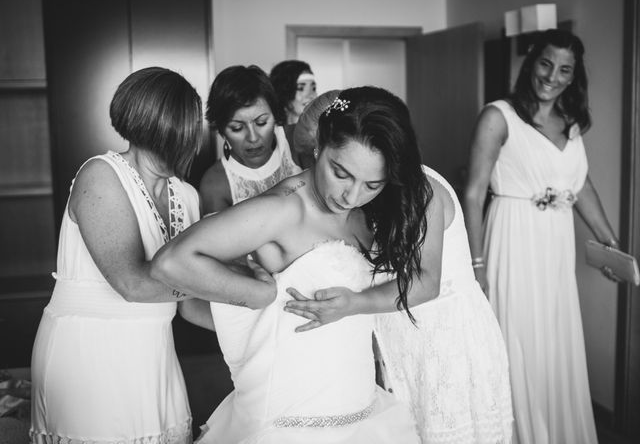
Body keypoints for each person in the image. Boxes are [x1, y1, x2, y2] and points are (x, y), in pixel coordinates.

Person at [150, 86, 441, 443]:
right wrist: (256, 296)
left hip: (358, 405)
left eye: (372, 184)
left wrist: (354, 306)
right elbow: (170, 263)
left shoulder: (366, 210)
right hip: (292, 419)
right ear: (320, 145)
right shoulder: (282, 209)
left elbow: (425, 280)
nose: (351, 195)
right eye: (341, 173)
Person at [29, 67, 275, 444]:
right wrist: (238, 289)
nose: (184, 139)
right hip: (89, 353)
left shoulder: (187, 196)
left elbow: (190, 305)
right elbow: (132, 283)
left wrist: (264, 326)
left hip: (154, 356)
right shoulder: (101, 175)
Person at [285, 94, 514, 443]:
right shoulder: (361, 193)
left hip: (444, 342)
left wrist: (353, 304)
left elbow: (426, 283)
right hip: (398, 336)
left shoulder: (421, 191)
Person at [463, 29, 619, 444]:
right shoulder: (498, 115)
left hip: (555, 245)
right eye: (545, 64)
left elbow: (581, 186)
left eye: (564, 69)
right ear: (531, 62)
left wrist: (610, 245)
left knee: (552, 340)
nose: (552, 76)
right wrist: (476, 266)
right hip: (512, 239)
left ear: (573, 77)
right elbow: (474, 191)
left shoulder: (571, 124)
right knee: (517, 340)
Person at [199, 65, 301, 215]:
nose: (253, 138)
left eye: (261, 123)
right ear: (221, 131)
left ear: (275, 116)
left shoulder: (296, 141)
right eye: (237, 128)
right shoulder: (215, 185)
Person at [269, 59, 317, 160]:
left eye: (313, 88)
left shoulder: (319, 136)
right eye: (300, 88)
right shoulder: (270, 137)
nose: (311, 95)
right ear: (284, 92)